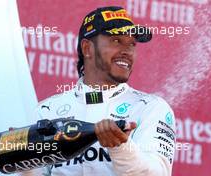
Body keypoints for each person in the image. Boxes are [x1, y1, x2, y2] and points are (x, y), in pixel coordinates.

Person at [29, 6, 176, 176]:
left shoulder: (150, 108)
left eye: (132, 44)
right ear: (87, 48)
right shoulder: (46, 111)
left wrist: (121, 147)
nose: (127, 51)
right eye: (116, 40)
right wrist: (22, 161)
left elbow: (157, 173)